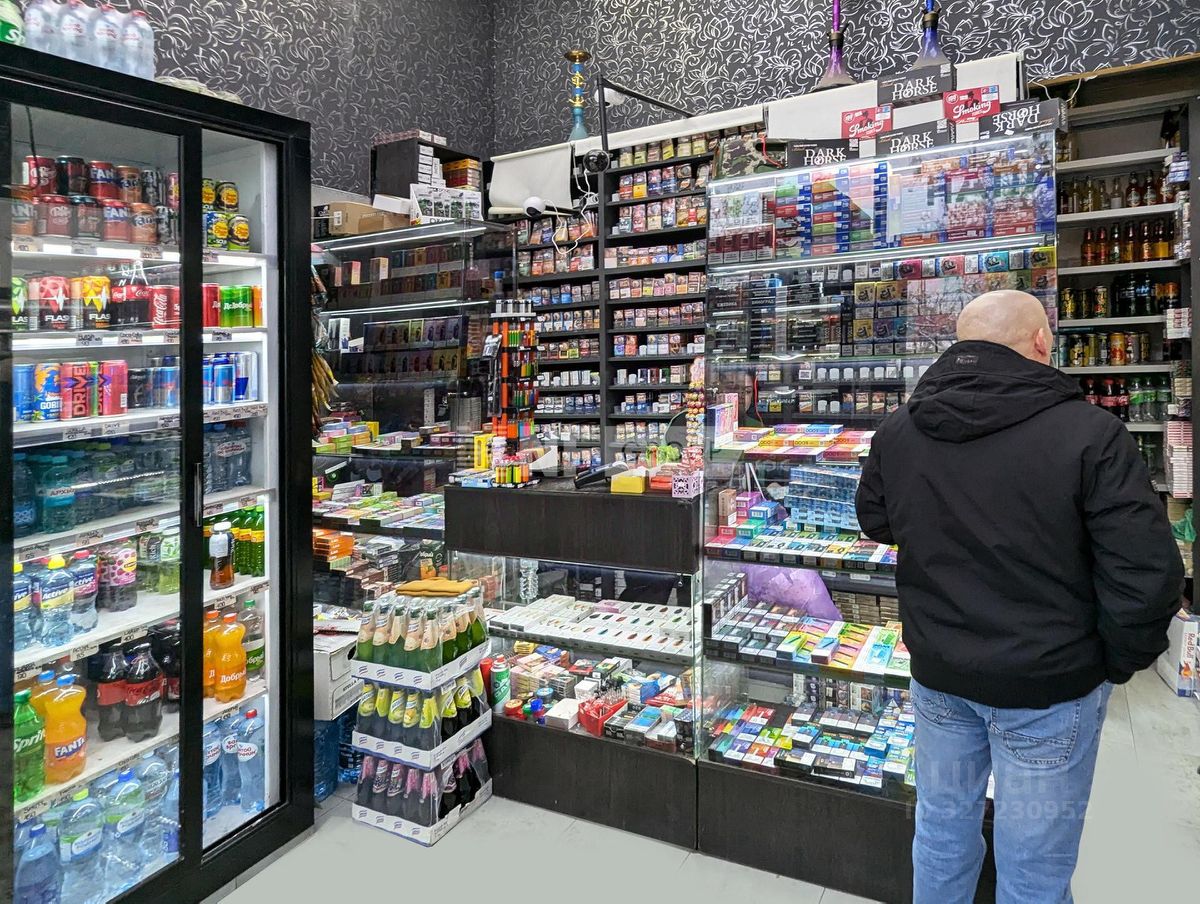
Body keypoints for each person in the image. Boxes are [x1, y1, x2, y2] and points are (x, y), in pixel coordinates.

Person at [855, 290, 1183, 904]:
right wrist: (1111, 663)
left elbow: (876, 519)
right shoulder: (1091, 433)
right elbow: (1145, 574)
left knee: (942, 834)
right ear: (1040, 342)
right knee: (1034, 867)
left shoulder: (899, 429)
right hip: (1048, 684)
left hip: (940, 676)